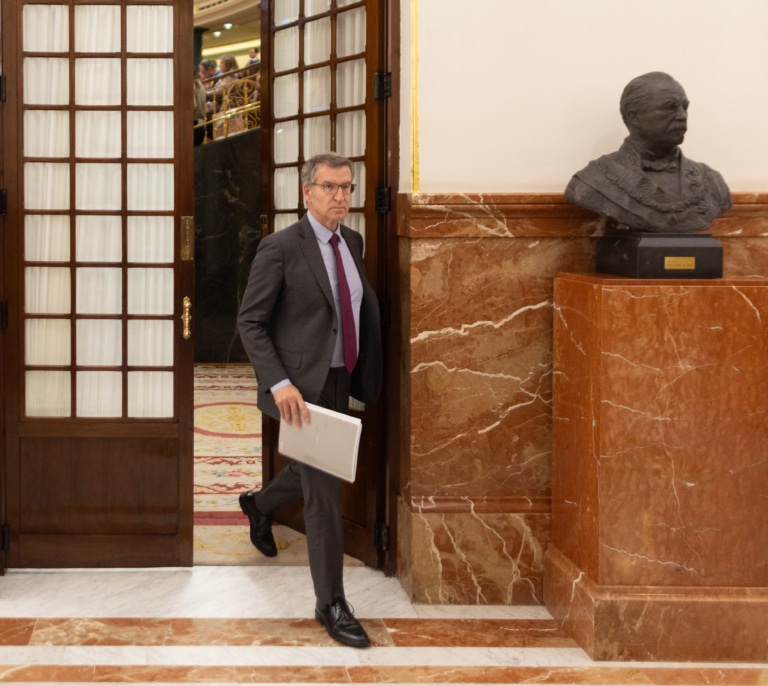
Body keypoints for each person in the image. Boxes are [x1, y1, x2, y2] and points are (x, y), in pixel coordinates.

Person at [237, 152, 383, 649]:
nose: (341, 196)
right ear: (307, 192)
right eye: (329, 187)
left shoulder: (352, 242)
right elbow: (250, 321)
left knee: (310, 468)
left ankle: (258, 505)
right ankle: (331, 604)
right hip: (300, 389)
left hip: (341, 379)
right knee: (324, 491)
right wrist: (280, 383)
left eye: (347, 187)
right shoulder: (280, 248)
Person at [564, 72, 732, 233]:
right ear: (633, 117)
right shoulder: (593, 181)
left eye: (685, 107)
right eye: (669, 107)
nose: (682, 116)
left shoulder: (712, 182)